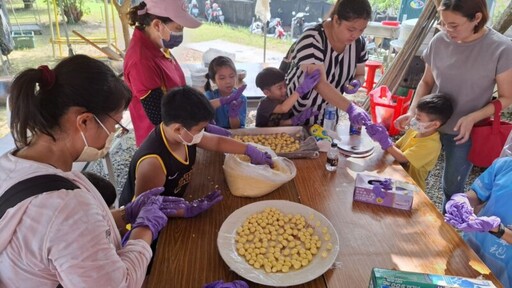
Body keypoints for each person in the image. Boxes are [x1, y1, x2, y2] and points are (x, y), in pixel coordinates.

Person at [0, 55, 194, 287]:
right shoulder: (67, 208)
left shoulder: (13, 163)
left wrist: (125, 215)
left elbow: (62, 239)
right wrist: (144, 229)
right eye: (115, 125)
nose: (113, 134)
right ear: (84, 121)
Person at [393, 0, 512, 210]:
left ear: (476, 18)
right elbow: (426, 82)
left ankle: (449, 229)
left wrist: (472, 117)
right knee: (408, 169)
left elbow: (506, 97)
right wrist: (413, 111)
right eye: (443, 23)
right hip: (429, 125)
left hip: (463, 132)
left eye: (454, 25)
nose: (447, 30)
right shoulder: (439, 41)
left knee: (452, 186)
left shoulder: (501, 48)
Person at [119, 85, 273, 206]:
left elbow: (217, 142)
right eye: (200, 129)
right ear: (178, 128)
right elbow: (146, 207)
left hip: (177, 197)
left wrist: (248, 149)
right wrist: (183, 209)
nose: (203, 133)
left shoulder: (181, 135)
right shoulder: (153, 163)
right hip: (148, 223)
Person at [124, 0, 203, 146]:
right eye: (178, 27)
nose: (181, 32)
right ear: (157, 25)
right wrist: (198, 125)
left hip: (178, 132)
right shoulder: (141, 61)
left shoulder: (157, 45)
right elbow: (159, 116)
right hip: (161, 142)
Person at [284, 0, 373, 129]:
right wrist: (351, 108)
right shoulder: (312, 39)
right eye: (351, 29)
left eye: (361, 30)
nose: (356, 35)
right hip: (294, 116)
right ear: (336, 20)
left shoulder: (359, 44)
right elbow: (319, 83)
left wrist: (357, 82)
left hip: (328, 117)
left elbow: (360, 73)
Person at [444, 157, 512, 286]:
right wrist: (462, 200)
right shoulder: (504, 165)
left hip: (505, 267)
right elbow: (477, 193)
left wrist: (499, 229)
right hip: (472, 245)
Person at [366, 94, 454, 191]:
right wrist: (382, 137)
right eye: (415, 116)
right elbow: (397, 147)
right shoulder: (415, 131)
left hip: (412, 187)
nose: (414, 120)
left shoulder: (431, 145)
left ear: (435, 124)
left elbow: (403, 158)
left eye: (418, 118)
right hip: (398, 176)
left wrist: (385, 141)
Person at [255, 67, 321, 127]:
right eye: (280, 88)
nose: (285, 89)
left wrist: (297, 119)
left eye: (285, 85)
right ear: (267, 92)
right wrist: (300, 90)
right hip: (261, 134)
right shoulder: (264, 104)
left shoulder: (285, 100)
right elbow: (283, 109)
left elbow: (281, 123)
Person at [204, 56, 248, 129]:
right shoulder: (209, 96)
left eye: (231, 76)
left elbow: (236, 129)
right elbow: (202, 108)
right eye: (222, 78)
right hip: (212, 136)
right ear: (213, 80)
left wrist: (233, 116)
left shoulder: (241, 99)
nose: (228, 81)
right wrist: (223, 101)